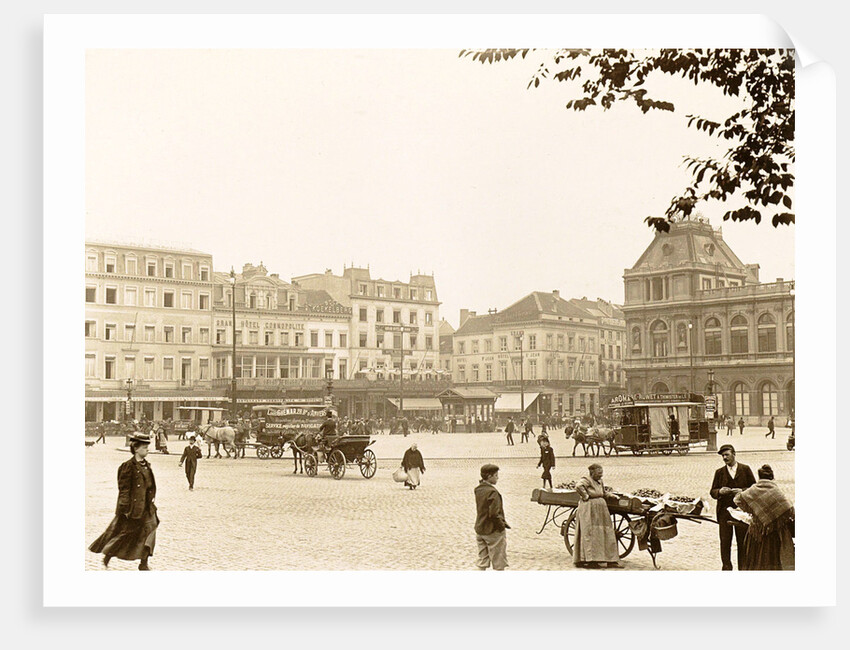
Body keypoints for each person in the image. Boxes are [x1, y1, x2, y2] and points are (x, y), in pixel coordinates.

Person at [89, 433, 159, 570]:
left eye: (147, 447)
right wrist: (124, 509)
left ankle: (143, 563)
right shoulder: (128, 467)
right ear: (136, 449)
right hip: (132, 508)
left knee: (151, 530)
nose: (148, 450)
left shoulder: (146, 465)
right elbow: (124, 490)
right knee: (125, 533)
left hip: (147, 507)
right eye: (145, 447)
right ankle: (108, 553)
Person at [733, 464, 795, 570]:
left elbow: (738, 500)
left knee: (755, 562)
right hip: (773, 535)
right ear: (772, 477)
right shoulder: (777, 492)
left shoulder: (753, 490)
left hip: (756, 534)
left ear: (759, 477)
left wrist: (753, 510)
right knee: (772, 562)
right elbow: (789, 510)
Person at [710, 444, 757, 570]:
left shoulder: (745, 469)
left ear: (734, 454)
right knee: (725, 542)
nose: (725, 458)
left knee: (742, 542)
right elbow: (712, 491)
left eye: (727, 455)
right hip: (724, 513)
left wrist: (742, 491)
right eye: (723, 456)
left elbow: (754, 488)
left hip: (742, 513)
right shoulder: (719, 472)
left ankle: (743, 568)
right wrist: (720, 491)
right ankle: (726, 567)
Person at [572, 463, 620, 568]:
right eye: (598, 473)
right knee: (590, 533)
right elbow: (578, 486)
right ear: (592, 472)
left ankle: (609, 559)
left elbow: (603, 492)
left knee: (605, 532)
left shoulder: (600, 481)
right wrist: (585, 496)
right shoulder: (587, 479)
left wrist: (612, 496)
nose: (600, 476)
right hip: (589, 508)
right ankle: (590, 560)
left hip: (601, 509)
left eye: (601, 473)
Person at [474, 464, 510, 570]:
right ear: (490, 476)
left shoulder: (478, 489)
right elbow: (494, 513)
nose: (497, 478)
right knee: (499, 562)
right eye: (496, 475)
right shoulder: (493, 492)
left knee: (482, 561)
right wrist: (501, 526)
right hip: (492, 531)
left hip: (480, 528)